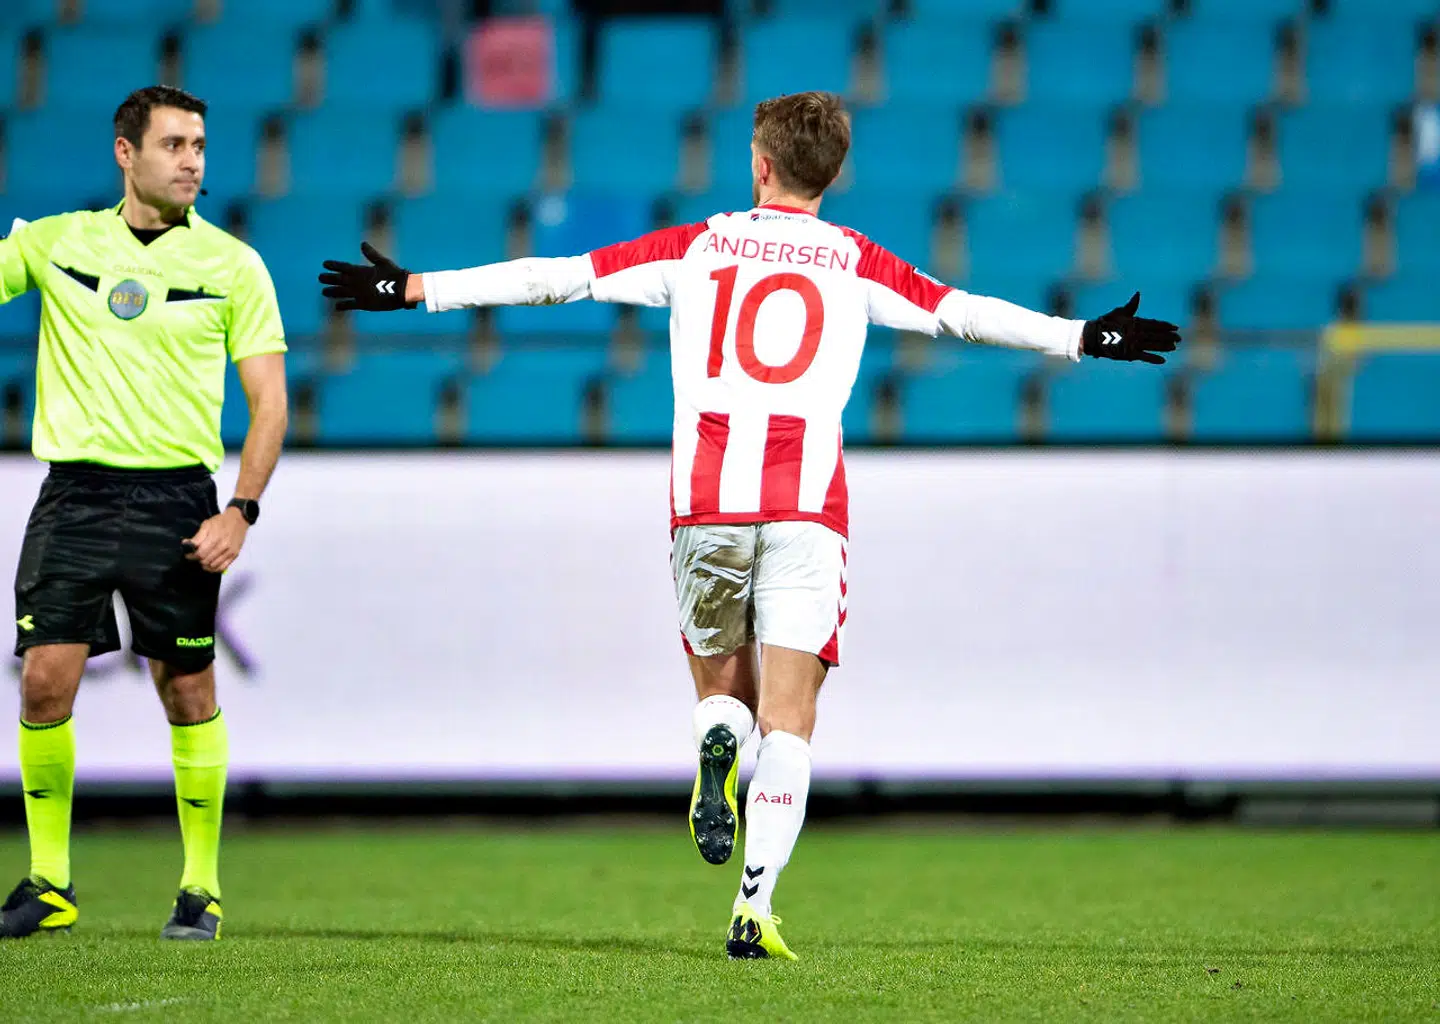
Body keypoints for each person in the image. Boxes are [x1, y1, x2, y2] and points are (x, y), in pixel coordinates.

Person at [318, 91, 1179, 960]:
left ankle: (716, 739)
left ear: (760, 164)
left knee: (722, 695)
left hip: (705, 506)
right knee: (791, 721)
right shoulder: (855, 260)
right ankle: (752, 909)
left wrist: (415, 288)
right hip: (806, 511)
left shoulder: (695, 246)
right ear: (832, 175)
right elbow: (960, 310)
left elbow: (558, 276)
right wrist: (1080, 337)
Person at [0, 85, 288, 941]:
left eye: (198, 145)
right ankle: (49, 882)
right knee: (44, 680)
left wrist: (241, 510)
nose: (191, 161)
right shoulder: (58, 243)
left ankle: (201, 888)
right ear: (125, 153)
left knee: (188, 689)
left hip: (177, 500)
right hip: (75, 495)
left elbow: (270, 403)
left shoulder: (233, 265)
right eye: (173, 145)